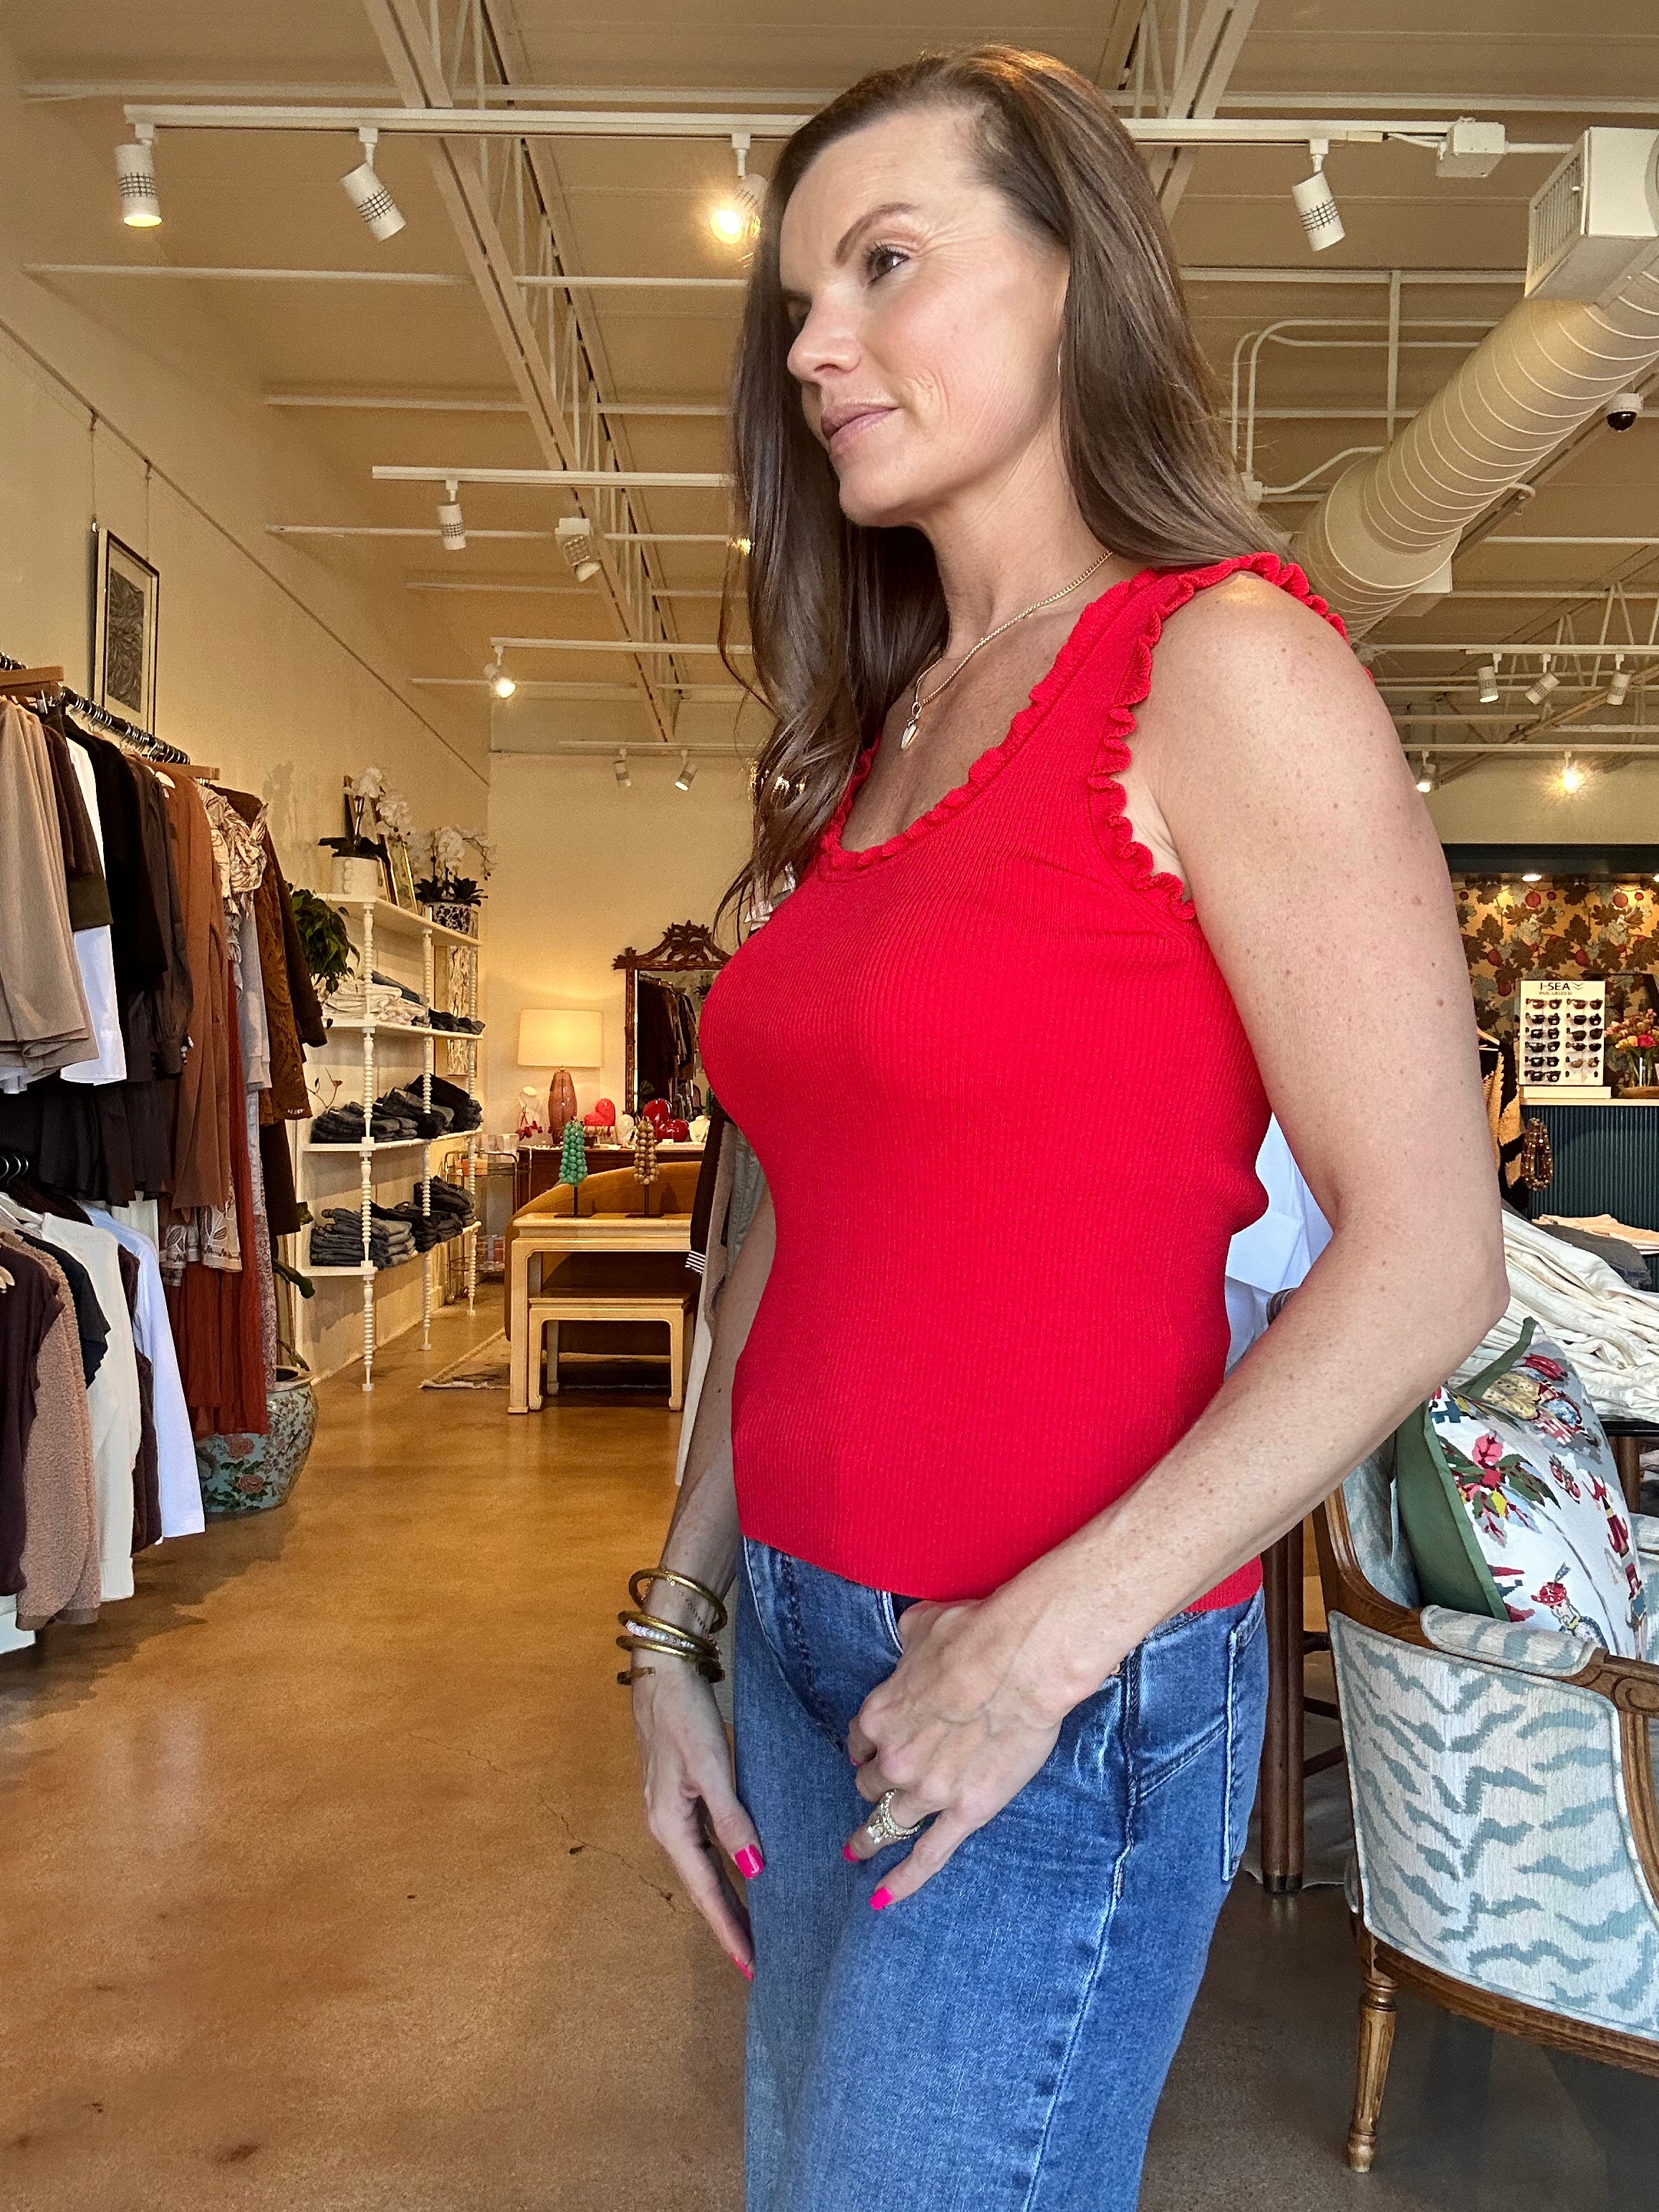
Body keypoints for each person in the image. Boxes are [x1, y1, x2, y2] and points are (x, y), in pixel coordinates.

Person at [622, 47, 1506, 2212]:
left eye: (885, 264)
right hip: (802, 1641)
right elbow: (788, 1229)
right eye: (798, 303)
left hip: (1050, 1678)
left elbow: (1428, 1257)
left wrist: (1041, 1641)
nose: (812, 346)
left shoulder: (1223, 670)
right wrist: (679, 1618)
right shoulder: (882, 733)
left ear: (1075, 278)